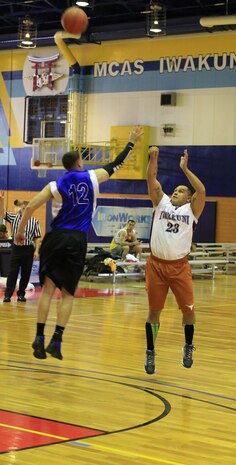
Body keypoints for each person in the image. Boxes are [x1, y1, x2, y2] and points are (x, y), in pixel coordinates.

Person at [15, 126, 143, 361]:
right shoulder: (92, 177)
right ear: (79, 163)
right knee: (67, 295)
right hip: (75, 240)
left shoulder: (55, 185)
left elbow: (31, 206)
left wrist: (20, 233)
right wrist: (131, 143)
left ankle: (39, 337)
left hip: (55, 239)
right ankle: (57, 340)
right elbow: (116, 164)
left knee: (47, 291)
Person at [145, 147, 206, 374]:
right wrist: (153, 158)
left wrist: (185, 169)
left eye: (181, 190)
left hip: (179, 267)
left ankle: (188, 346)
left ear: (189, 198)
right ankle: (150, 352)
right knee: (153, 311)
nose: (176, 191)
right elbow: (151, 178)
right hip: (156, 266)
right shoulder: (161, 203)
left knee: (189, 311)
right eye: (175, 189)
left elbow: (202, 189)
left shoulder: (192, 210)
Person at [0, 196, 41, 303]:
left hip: (28, 249)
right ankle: (7, 295)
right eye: (22, 208)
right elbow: (2, 213)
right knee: (12, 272)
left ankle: (21, 295)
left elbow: (37, 237)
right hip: (16, 249)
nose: (23, 210)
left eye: (26, 208)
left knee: (26, 273)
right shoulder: (15, 218)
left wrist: (36, 251)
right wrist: (2, 200)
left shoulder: (34, 221)